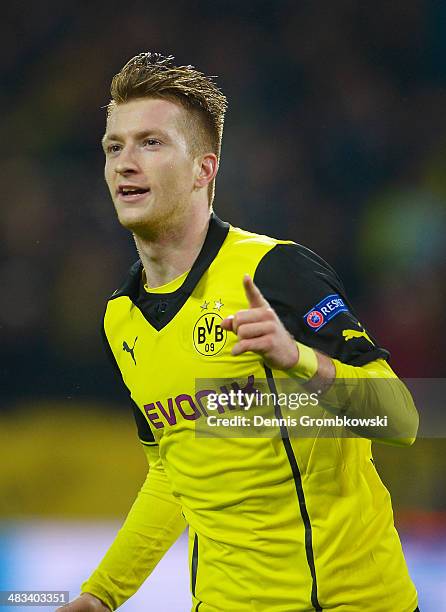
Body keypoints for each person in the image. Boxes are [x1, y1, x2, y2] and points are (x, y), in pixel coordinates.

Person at [58, 52, 420, 612]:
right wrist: (102, 594)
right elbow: (171, 475)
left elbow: (399, 418)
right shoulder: (120, 317)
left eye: (150, 143)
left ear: (204, 169)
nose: (125, 163)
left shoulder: (277, 270)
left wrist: (297, 357)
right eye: (114, 146)